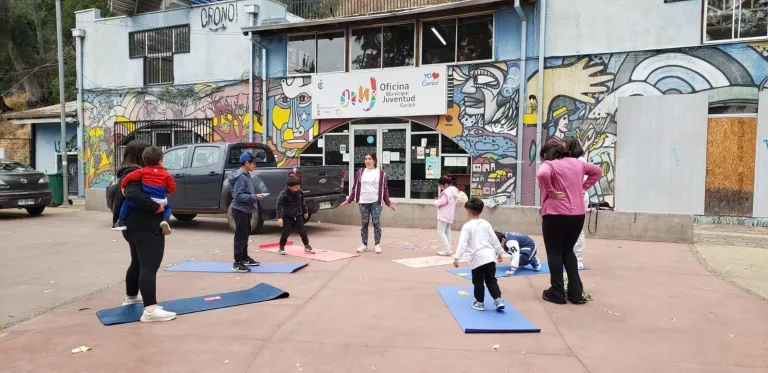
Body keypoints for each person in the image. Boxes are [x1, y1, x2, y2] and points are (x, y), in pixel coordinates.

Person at [113, 140, 176, 322]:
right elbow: (131, 194)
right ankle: (150, 310)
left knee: (138, 263)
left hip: (134, 226)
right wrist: (155, 208)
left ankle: (131, 297)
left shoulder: (130, 173)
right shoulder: (135, 174)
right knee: (149, 267)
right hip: (145, 226)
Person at [536, 141, 601, 305]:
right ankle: (575, 292)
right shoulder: (578, 163)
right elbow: (597, 171)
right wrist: (584, 187)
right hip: (577, 215)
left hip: (555, 213)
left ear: (546, 154)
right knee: (568, 252)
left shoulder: (549, 164)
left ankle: (557, 292)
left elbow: (541, 174)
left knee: (555, 252)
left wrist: (551, 192)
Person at [453, 197, 505, 311]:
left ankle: (480, 302)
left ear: (468, 212)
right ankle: (498, 299)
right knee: (491, 279)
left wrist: (457, 257)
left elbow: (463, 243)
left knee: (478, 281)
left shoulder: (467, 226)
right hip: (490, 257)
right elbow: (494, 239)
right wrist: (499, 252)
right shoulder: (486, 223)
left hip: (477, 258)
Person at [112, 146, 175, 235]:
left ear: (144, 161)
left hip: (148, 197)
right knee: (167, 208)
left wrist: (122, 186)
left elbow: (128, 177)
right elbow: (172, 186)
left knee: (127, 203)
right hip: (161, 200)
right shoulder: (166, 174)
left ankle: (121, 221)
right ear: (160, 161)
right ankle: (165, 221)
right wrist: (167, 192)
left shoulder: (142, 171)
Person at [340, 152, 396, 254]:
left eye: (369, 159)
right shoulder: (360, 172)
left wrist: (388, 203)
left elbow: (385, 189)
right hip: (363, 201)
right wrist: (349, 200)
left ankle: (377, 244)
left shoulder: (381, 173)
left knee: (376, 222)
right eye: (365, 159)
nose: (367, 161)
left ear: (374, 160)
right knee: (364, 223)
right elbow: (355, 188)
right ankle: (364, 244)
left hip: (376, 201)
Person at [229, 152, 264, 273]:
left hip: (246, 209)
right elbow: (238, 196)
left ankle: (244, 257)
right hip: (240, 209)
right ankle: (237, 262)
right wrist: (254, 197)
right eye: (253, 163)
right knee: (240, 236)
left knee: (246, 233)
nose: (255, 165)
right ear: (247, 163)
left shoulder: (246, 174)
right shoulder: (240, 177)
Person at [563, 136, 590, 269]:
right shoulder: (572, 160)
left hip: (578, 197)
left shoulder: (580, 161)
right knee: (569, 228)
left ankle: (578, 259)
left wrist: (583, 188)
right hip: (571, 197)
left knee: (577, 229)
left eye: (564, 144)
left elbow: (591, 174)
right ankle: (570, 256)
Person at [277, 176, 314, 255]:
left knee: (303, 230)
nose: (298, 188)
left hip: (298, 214)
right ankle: (281, 246)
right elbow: (278, 206)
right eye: (295, 187)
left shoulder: (299, 192)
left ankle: (306, 245)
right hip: (287, 215)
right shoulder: (284, 194)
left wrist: (305, 211)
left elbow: (302, 202)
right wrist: (279, 217)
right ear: (289, 187)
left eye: (298, 186)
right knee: (286, 232)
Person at [434, 175, 459, 256]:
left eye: (440, 185)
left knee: (440, 232)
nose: (440, 187)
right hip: (450, 214)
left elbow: (442, 202)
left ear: (444, 185)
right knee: (447, 231)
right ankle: (448, 248)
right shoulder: (453, 191)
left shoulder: (446, 192)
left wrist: (436, 203)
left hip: (444, 214)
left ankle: (447, 249)